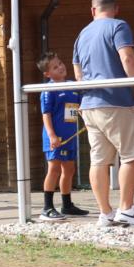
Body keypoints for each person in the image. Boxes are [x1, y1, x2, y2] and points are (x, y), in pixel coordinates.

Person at [72, 0, 134, 227]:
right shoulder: (118, 26)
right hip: (117, 102)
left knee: (98, 161)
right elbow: (127, 58)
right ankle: (126, 209)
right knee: (132, 155)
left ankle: (105, 213)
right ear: (116, 9)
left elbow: (78, 73)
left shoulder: (82, 34)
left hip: (90, 104)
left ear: (93, 10)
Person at [36, 52, 88, 221]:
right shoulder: (48, 90)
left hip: (70, 137)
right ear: (47, 74)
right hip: (55, 138)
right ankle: (47, 207)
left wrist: (88, 120)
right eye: (55, 67)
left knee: (69, 169)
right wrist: (52, 136)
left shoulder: (73, 86)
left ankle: (67, 205)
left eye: (60, 63)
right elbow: (46, 114)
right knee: (54, 169)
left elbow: (80, 108)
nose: (60, 67)